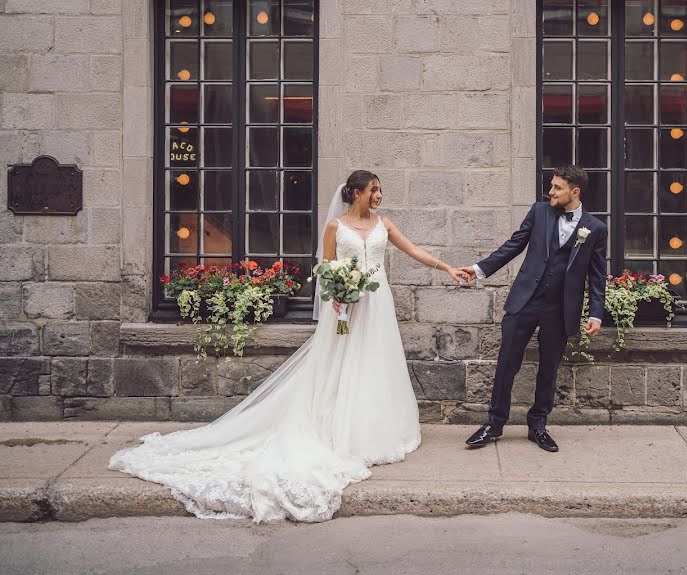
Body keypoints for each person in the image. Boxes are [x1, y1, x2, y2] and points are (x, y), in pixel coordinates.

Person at [110, 170, 469, 523]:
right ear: (356, 192)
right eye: (373, 190)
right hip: (347, 307)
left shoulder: (384, 225)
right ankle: (338, 427)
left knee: (376, 363)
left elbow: (413, 250)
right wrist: (336, 296)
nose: (379, 195)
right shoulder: (336, 227)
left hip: (378, 303)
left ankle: (375, 427)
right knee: (342, 363)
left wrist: (447, 267)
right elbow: (326, 268)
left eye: (380, 190)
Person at [462, 165, 607, 452]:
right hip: (525, 300)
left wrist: (595, 313)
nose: (550, 191)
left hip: (560, 308)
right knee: (506, 363)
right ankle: (495, 423)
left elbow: (598, 274)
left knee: (549, 369)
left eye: (557, 187)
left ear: (574, 192)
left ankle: (538, 425)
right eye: (551, 186)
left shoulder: (596, 228)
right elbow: (513, 245)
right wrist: (479, 270)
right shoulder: (539, 212)